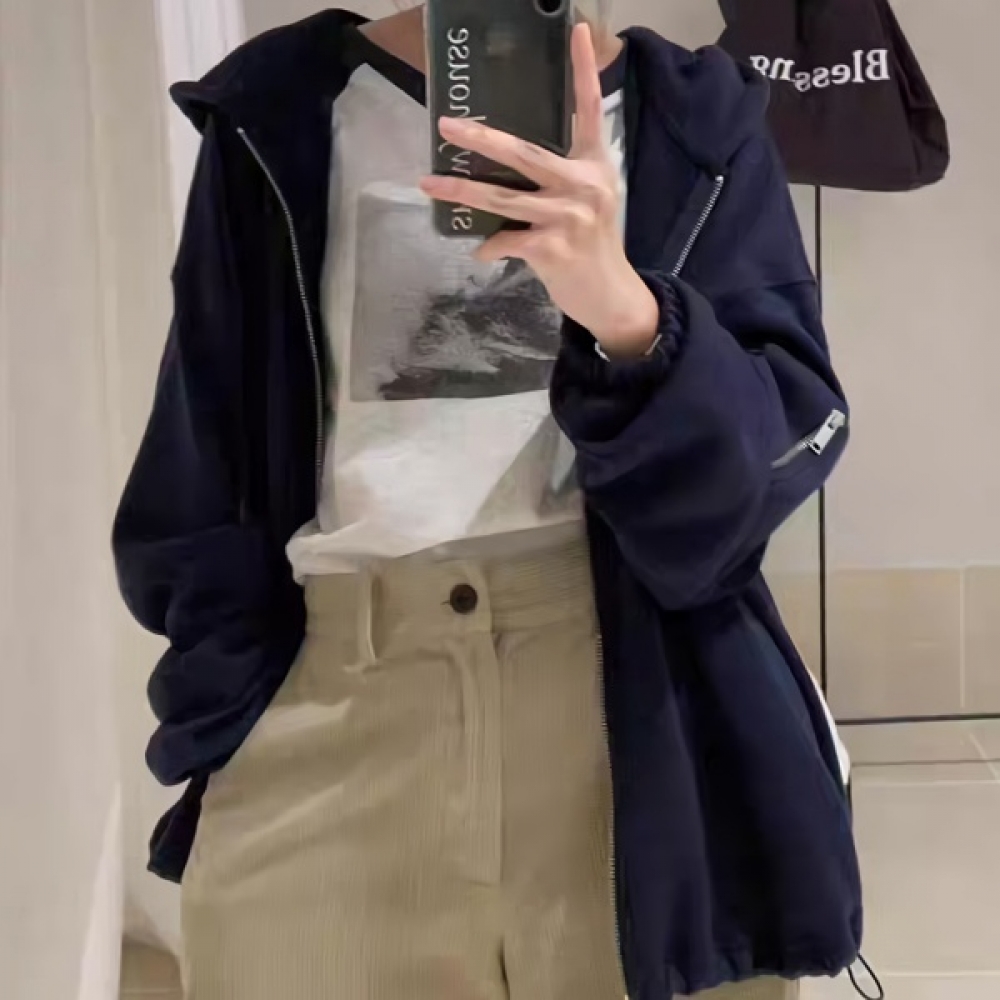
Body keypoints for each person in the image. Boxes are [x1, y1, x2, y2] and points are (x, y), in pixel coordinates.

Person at [113, 3, 863, 999]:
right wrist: (225, 707)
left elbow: (762, 469)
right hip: (332, 710)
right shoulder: (278, 107)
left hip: (640, 727)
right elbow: (204, 448)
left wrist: (627, 312)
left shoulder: (698, 123)